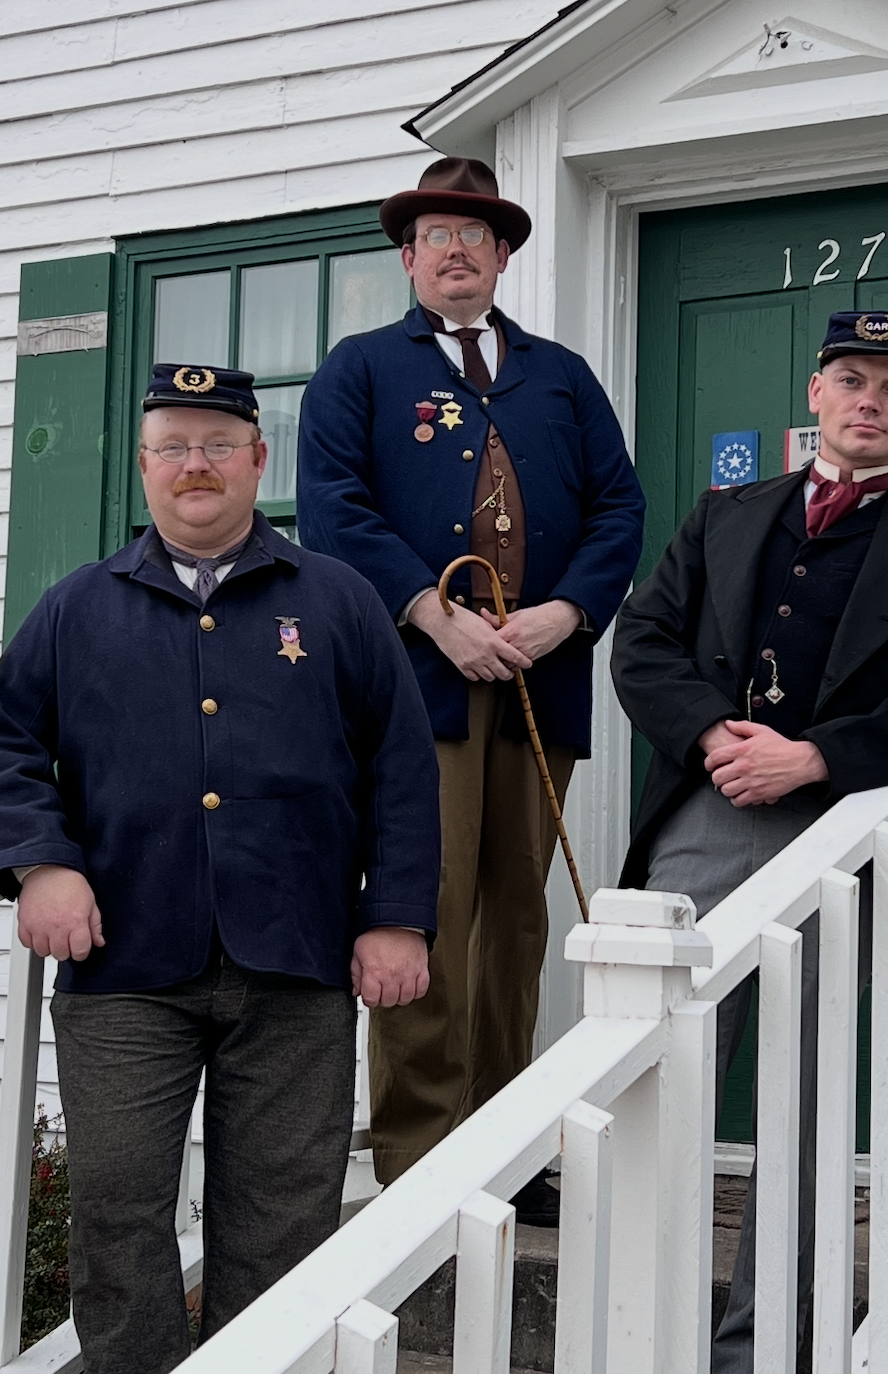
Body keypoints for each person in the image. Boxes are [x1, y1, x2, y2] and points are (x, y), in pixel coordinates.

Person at [0, 364, 439, 1374]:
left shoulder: (340, 602)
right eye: (173, 447)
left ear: (258, 461)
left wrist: (395, 916)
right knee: (120, 1209)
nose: (196, 465)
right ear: (143, 469)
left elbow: (401, 769)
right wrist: (39, 863)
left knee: (280, 1220)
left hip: (298, 962)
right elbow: (3, 746)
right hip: (126, 964)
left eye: (217, 445)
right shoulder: (76, 608)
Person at [611, 312, 888, 1372]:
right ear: (816, 395)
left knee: (803, 1111)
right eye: (853, 380)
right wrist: (710, 734)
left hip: (841, 842)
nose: (870, 400)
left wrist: (813, 758)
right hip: (705, 816)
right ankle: (656, 1334)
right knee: (669, 1080)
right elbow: (642, 643)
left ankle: (758, 1349)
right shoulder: (723, 514)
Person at [297, 156, 645, 1216]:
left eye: (476, 236)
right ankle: (420, 1159)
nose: (457, 251)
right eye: (437, 236)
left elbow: (617, 511)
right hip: (420, 685)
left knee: (516, 920)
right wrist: (435, 617)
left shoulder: (563, 377)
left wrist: (564, 615)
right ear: (409, 258)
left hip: (542, 682)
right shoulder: (359, 371)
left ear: (503, 256)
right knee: (429, 906)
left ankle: (505, 1146)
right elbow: (335, 510)